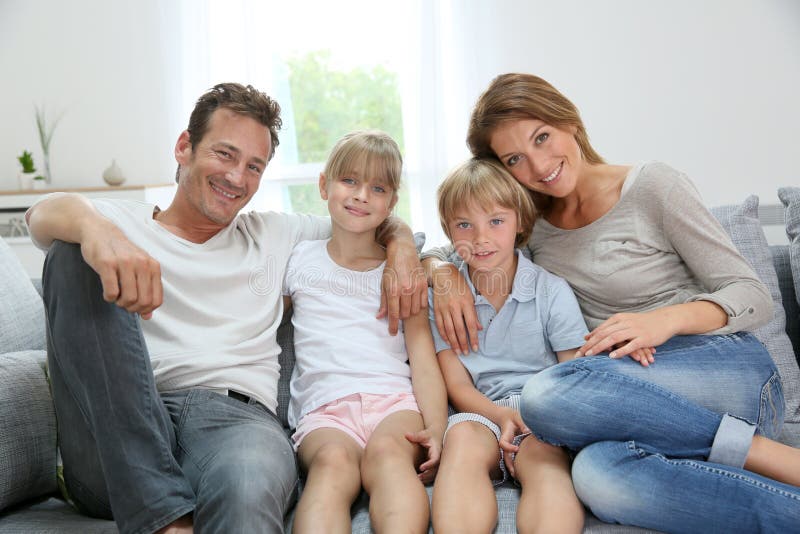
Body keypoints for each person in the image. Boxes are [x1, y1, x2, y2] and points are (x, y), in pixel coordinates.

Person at [25, 83, 427, 534]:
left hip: (235, 424)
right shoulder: (120, 224)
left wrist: (404, 246)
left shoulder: (277, 235)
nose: (237, 177)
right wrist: (93, 232)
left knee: (247, 481)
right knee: (69, 257)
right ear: (184, 147)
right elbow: (43, 214)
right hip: (120, 428)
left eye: (253, 166)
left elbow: (366, 217)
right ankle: (164, 516)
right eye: (224, 154)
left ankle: (161, 515)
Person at [422, 73, 800, 532]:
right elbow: (462, 238)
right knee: (597, 477)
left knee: (546, 394)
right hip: (618, 390)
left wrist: (663, 321)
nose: (539, 166)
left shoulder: (651, 186)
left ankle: (761, 450)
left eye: (543, 137)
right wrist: (438, 272)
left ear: (570, 123)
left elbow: (752, 295)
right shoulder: (531, 225)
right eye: (516, 158)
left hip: (725, 373)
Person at [284, 130, 446, 534]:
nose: (361, 196)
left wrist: (438, 428)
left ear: (392, 203)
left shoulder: (401, 274)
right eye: (349, 181)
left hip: (394, 401)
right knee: (333, 465)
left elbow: (423, 359)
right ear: (324, 185)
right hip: (325, 408)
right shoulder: (298, 259)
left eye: (377, 188)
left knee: (389, 455)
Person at [429, 158, 587, 534]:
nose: (480, 238)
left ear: (519, 222)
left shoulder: (550, 291)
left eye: (496, 221)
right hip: (481, 412)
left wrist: (534, 419)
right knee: (462, 442)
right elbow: (457, 386)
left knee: (545, 458)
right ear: (449, 231)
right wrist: (500, 417)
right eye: (464, 225)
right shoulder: (444, 298)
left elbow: (575, 374)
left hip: (540, 410)